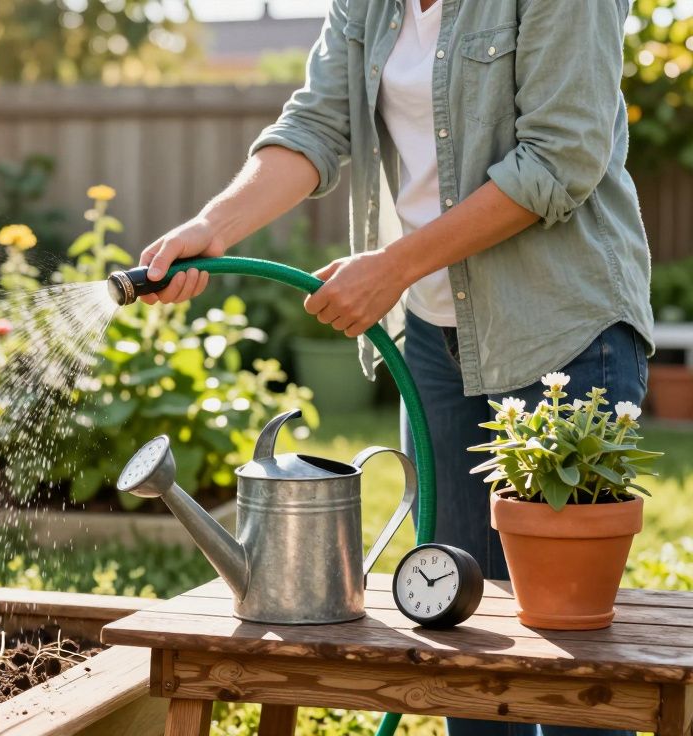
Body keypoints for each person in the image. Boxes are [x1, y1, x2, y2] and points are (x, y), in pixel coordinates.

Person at [136, 1, 653, 734]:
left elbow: (560, 157)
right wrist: (210, 228)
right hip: (438, 343)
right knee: (461, 629)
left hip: (562, 333)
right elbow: (316, 125)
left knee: (572, 657)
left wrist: (394, 268)